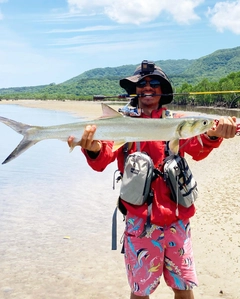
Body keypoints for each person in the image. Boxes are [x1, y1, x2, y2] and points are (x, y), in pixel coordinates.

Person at [68, 60, 236, 299]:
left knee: (183, 287)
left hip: (178, 221)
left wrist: (213, 135)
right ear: (134, 90)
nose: (148, 87)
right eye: (142, 83)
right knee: (140, 291)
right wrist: (92, 148)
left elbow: (198, 148)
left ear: (163, 89)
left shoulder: (177, 120)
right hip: (139, 223)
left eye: (154, 83)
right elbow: (102, 157)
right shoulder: (120, 120)